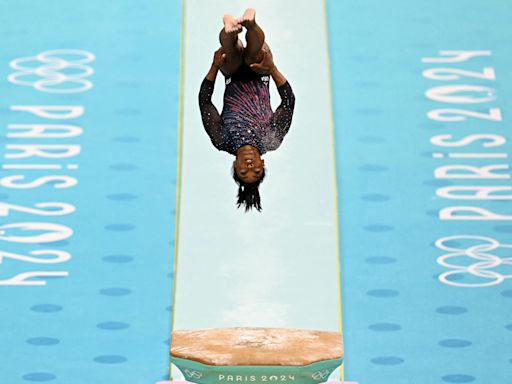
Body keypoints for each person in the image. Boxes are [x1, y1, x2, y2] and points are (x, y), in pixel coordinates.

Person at [199, 8, 295, 212]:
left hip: (231, 73)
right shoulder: (271, 139)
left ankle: (230, 30)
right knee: (256, 53)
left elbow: (205, 103)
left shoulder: (222, 139)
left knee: (229, 52)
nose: (250, 166)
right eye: (256, 170)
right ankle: (251, 24)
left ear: (235, 166)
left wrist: (214, 67)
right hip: (260, 71)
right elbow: (288, 102)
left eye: (244, 172)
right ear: (263, 163)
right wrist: (272, 68)